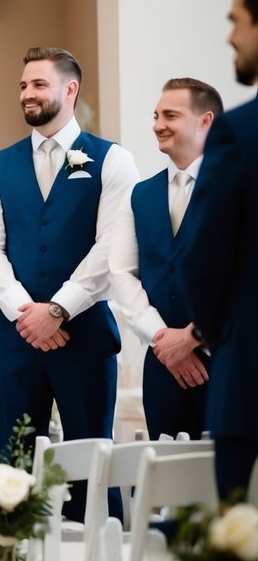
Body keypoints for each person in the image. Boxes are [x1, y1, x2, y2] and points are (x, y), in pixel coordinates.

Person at [0, 47, 137, 519]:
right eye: (23, 85)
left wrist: (58, 309)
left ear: (70, 90)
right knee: (15, 469)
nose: (27, 94)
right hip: (15, 336)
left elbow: (112, 245)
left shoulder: (113, 160)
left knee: (92, 464)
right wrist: (27, 312)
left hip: (83, 336)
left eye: (39, 85)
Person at [178, 0, 258, 499]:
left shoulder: (240, 132)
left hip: (251, 377)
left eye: (237, 21)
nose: (230, 36)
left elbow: (201, 257)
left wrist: (212, 329)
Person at [110, 78, 219, 440]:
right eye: (156, 115)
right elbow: (123, 273)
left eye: (170, 115)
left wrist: (192, 337)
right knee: (166, 482)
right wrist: (162, 338)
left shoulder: (239, 185)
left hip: (228, 362)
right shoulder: (140, 195)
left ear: (207, 121)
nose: (158, 124)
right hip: (162, 365)